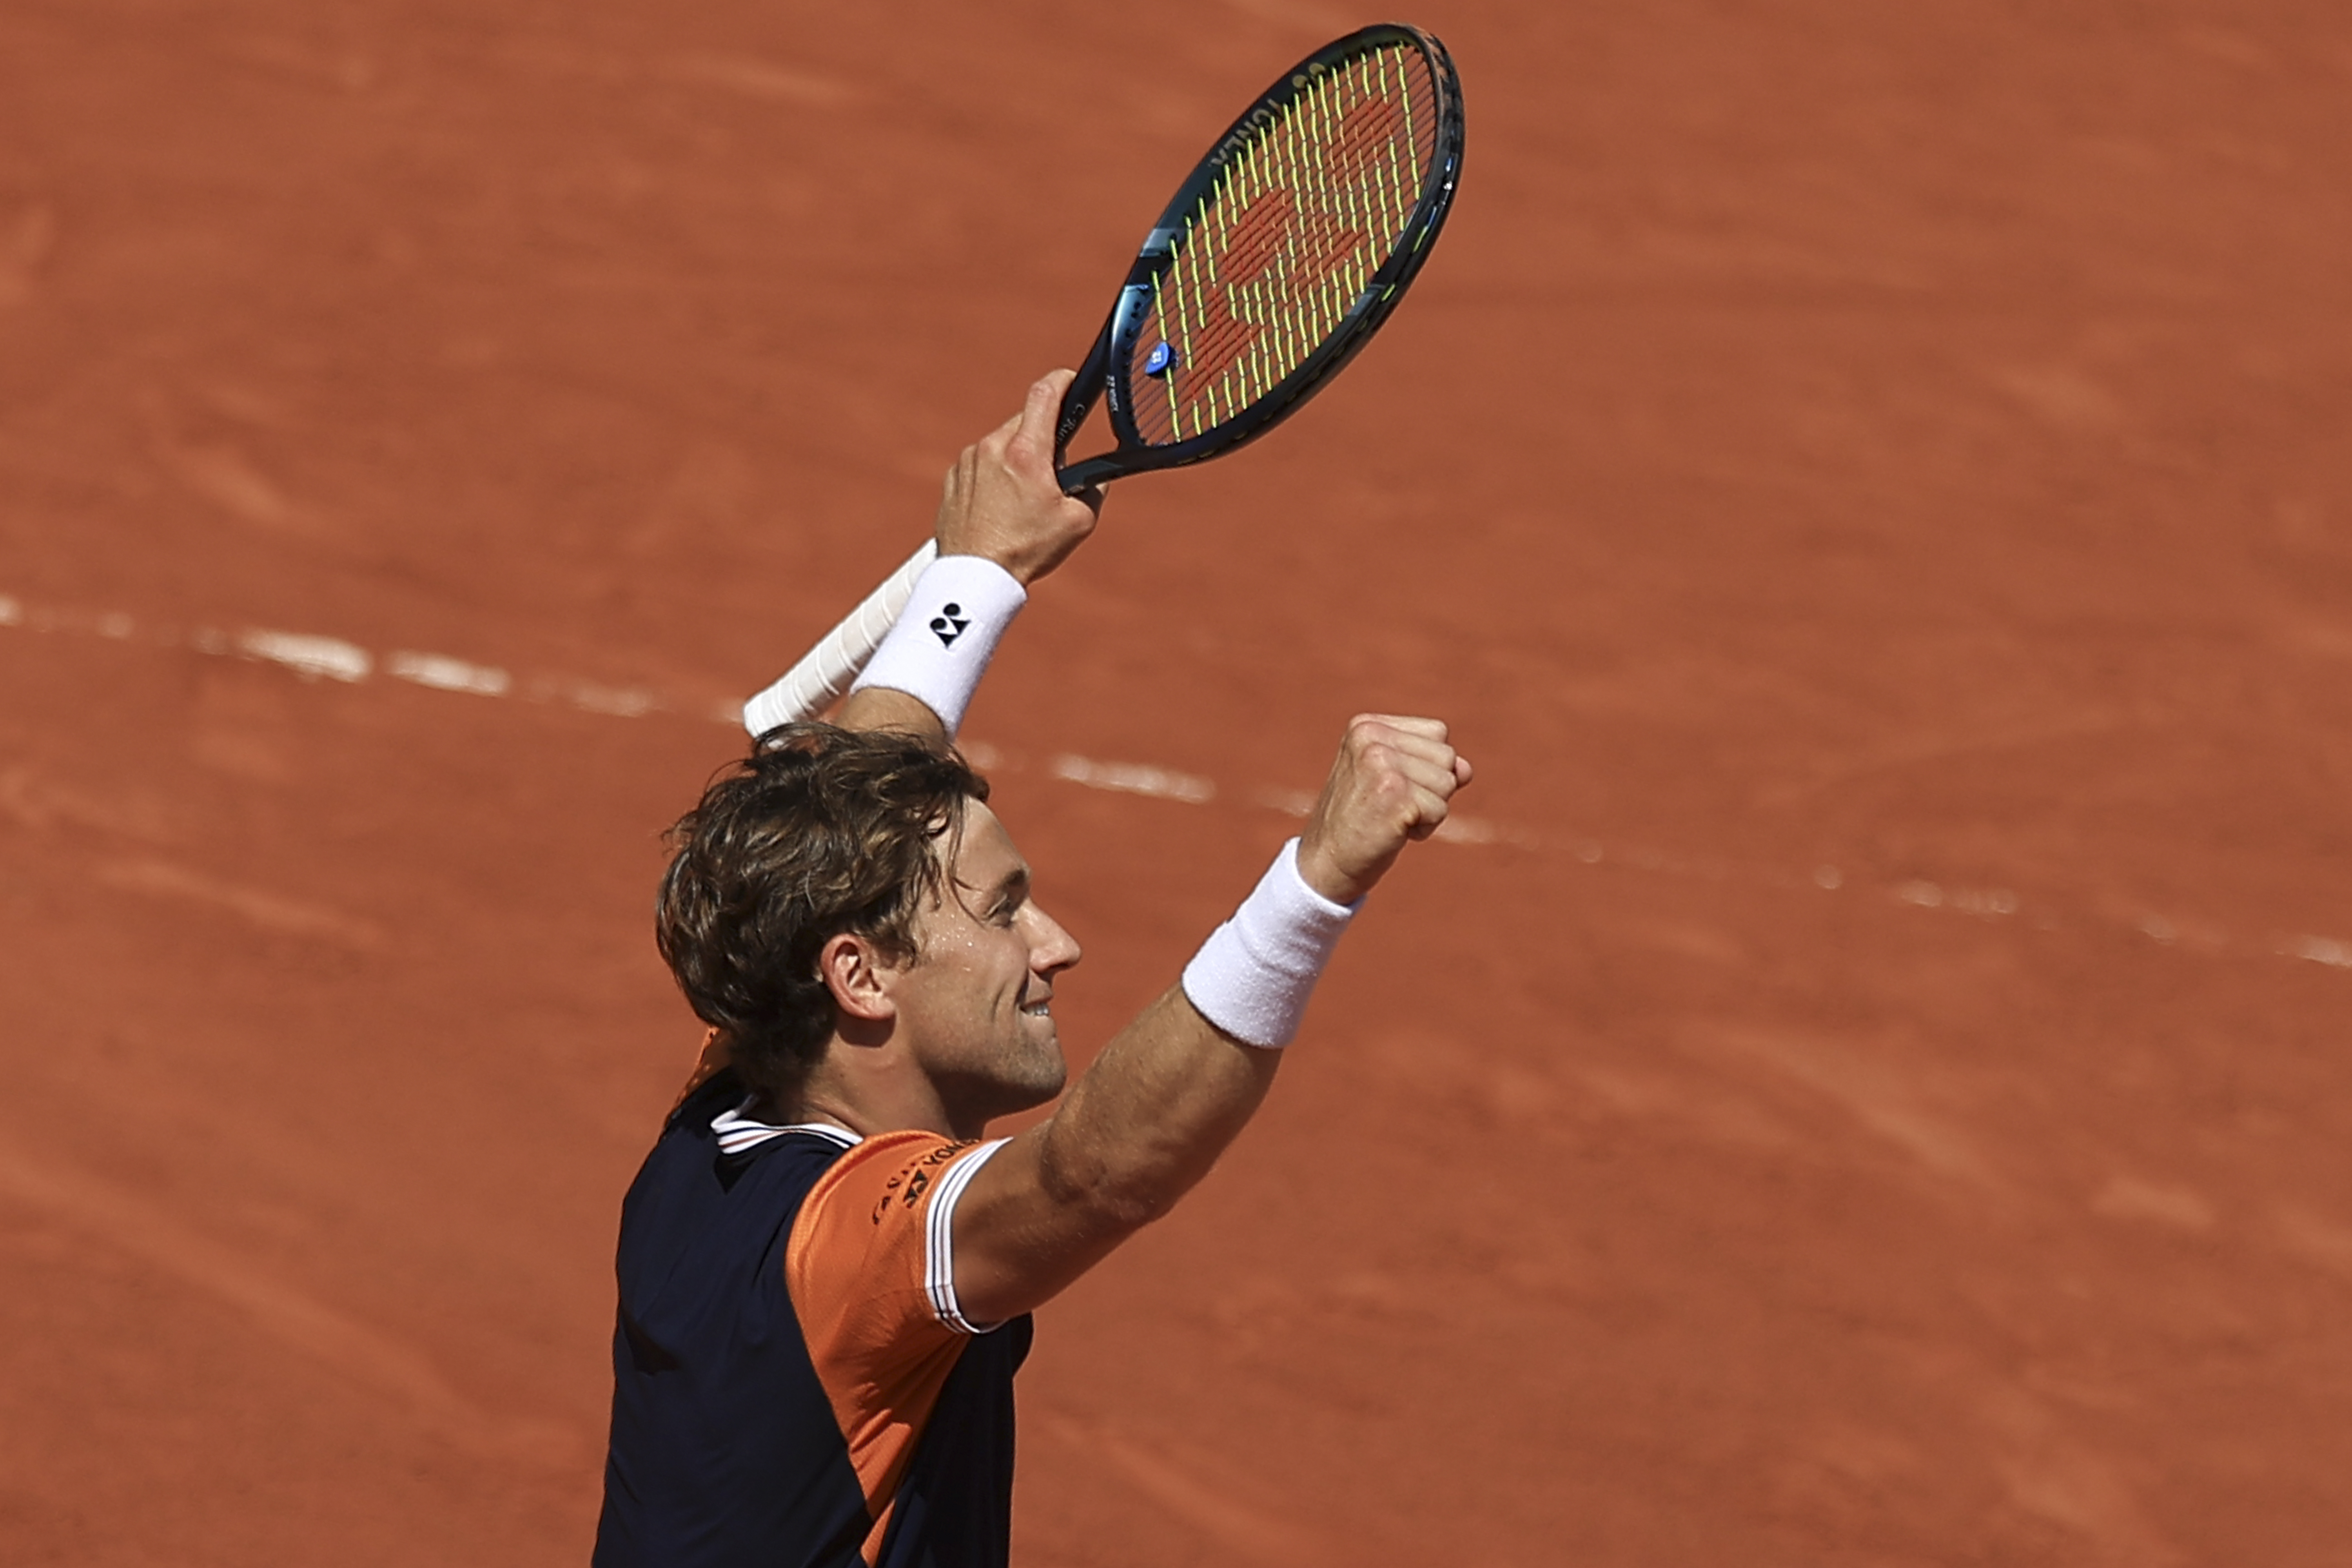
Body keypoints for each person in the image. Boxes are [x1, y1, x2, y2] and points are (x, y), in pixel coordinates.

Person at [592, 370, 1471, 1568]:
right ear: (859, 980)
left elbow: (853, 798)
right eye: (1005, 911)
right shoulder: (848, 1252)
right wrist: (1313, 884)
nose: (1057, 944)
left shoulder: (725, 1108)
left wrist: (976, 574)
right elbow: (1093, 1177)